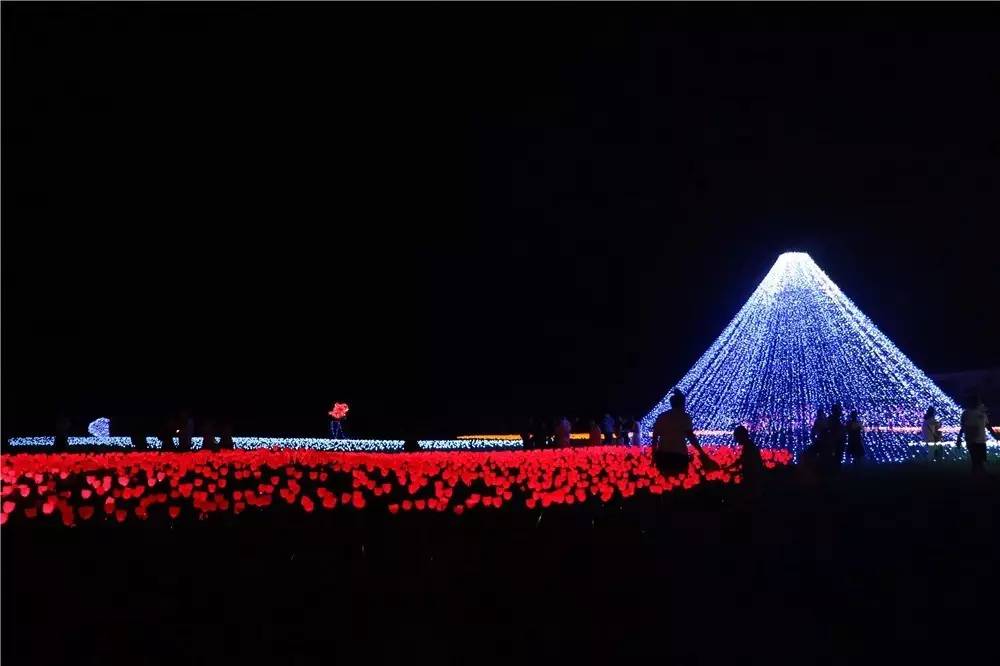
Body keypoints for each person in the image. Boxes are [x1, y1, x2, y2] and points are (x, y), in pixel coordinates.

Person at [650, 389, 718, 477]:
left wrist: (653, 455)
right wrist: (701, 452)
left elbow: (655, 437)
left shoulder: (662, 416)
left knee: (666, 480)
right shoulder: (685, 417)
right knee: (679, 481)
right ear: (682, 403)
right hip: (679, 454)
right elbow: (691, 437)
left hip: (663, 454)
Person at [955, 395, 1000, 478]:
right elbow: (963, 426)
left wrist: (995, 435)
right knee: (975, 460)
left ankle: (980, 475)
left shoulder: (982, 413)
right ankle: (978, 475)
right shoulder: (966, 413)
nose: (978, 403)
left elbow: (988, 426)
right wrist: (959, 438)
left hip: (981, 439)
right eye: (977, 401)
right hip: (971, 439)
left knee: (981, 459)